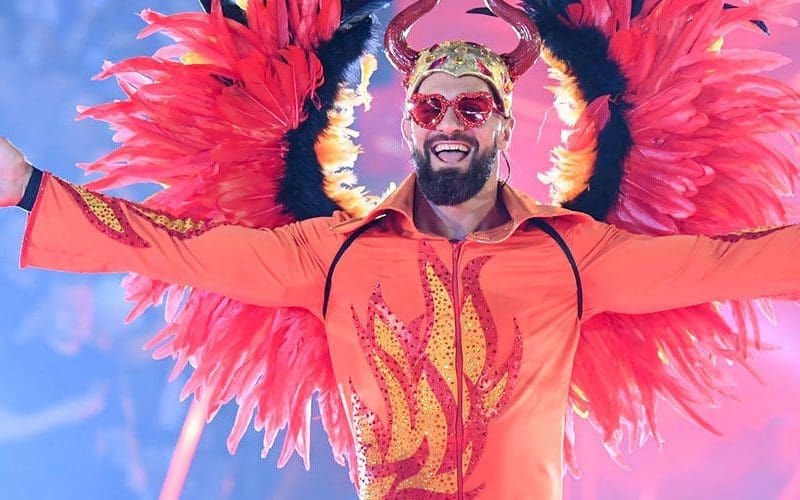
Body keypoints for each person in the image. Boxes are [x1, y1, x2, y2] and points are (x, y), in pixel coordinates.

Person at [2, 0, 800, 498]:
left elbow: (728, 261)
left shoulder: (571, 257)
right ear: (410, 124)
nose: (450, 122)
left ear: (503, 125)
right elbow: (180, 248)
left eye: (472, 107)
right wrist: (31, 188)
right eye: (431, 107)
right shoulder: (335, 257)